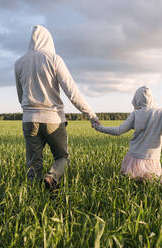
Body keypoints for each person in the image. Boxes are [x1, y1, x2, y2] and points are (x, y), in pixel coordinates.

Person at [14, 25, 99, 189]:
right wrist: (90, 113)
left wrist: (30, 110)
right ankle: (52, 177)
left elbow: (20, 95)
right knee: (61, 157)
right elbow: (72, 92)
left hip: (29, 120)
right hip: (54, 119)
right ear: (48, 40)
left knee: (33, 165)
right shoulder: (54, 59)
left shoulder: (19, 63)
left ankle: (33, 201)